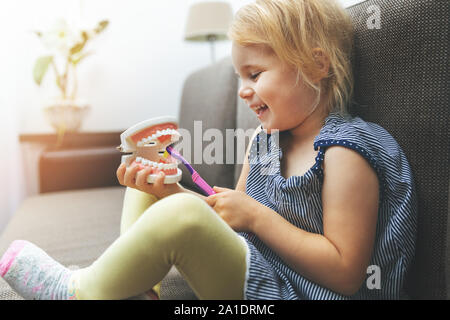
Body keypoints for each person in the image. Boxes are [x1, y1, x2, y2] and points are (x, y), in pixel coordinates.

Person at [0, 0, 417, 300]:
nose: (242, 90)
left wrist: (255, 216)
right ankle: (140, 288)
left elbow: (346, 273)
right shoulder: (263, 142)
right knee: (151, 180)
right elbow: (227, 224)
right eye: (239, 76)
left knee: (182, 214)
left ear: (316, 65)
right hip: (254, 271)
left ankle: (80, 293)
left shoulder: (345, 153)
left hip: (291, 292)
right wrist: (170, 192)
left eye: (255, 73)